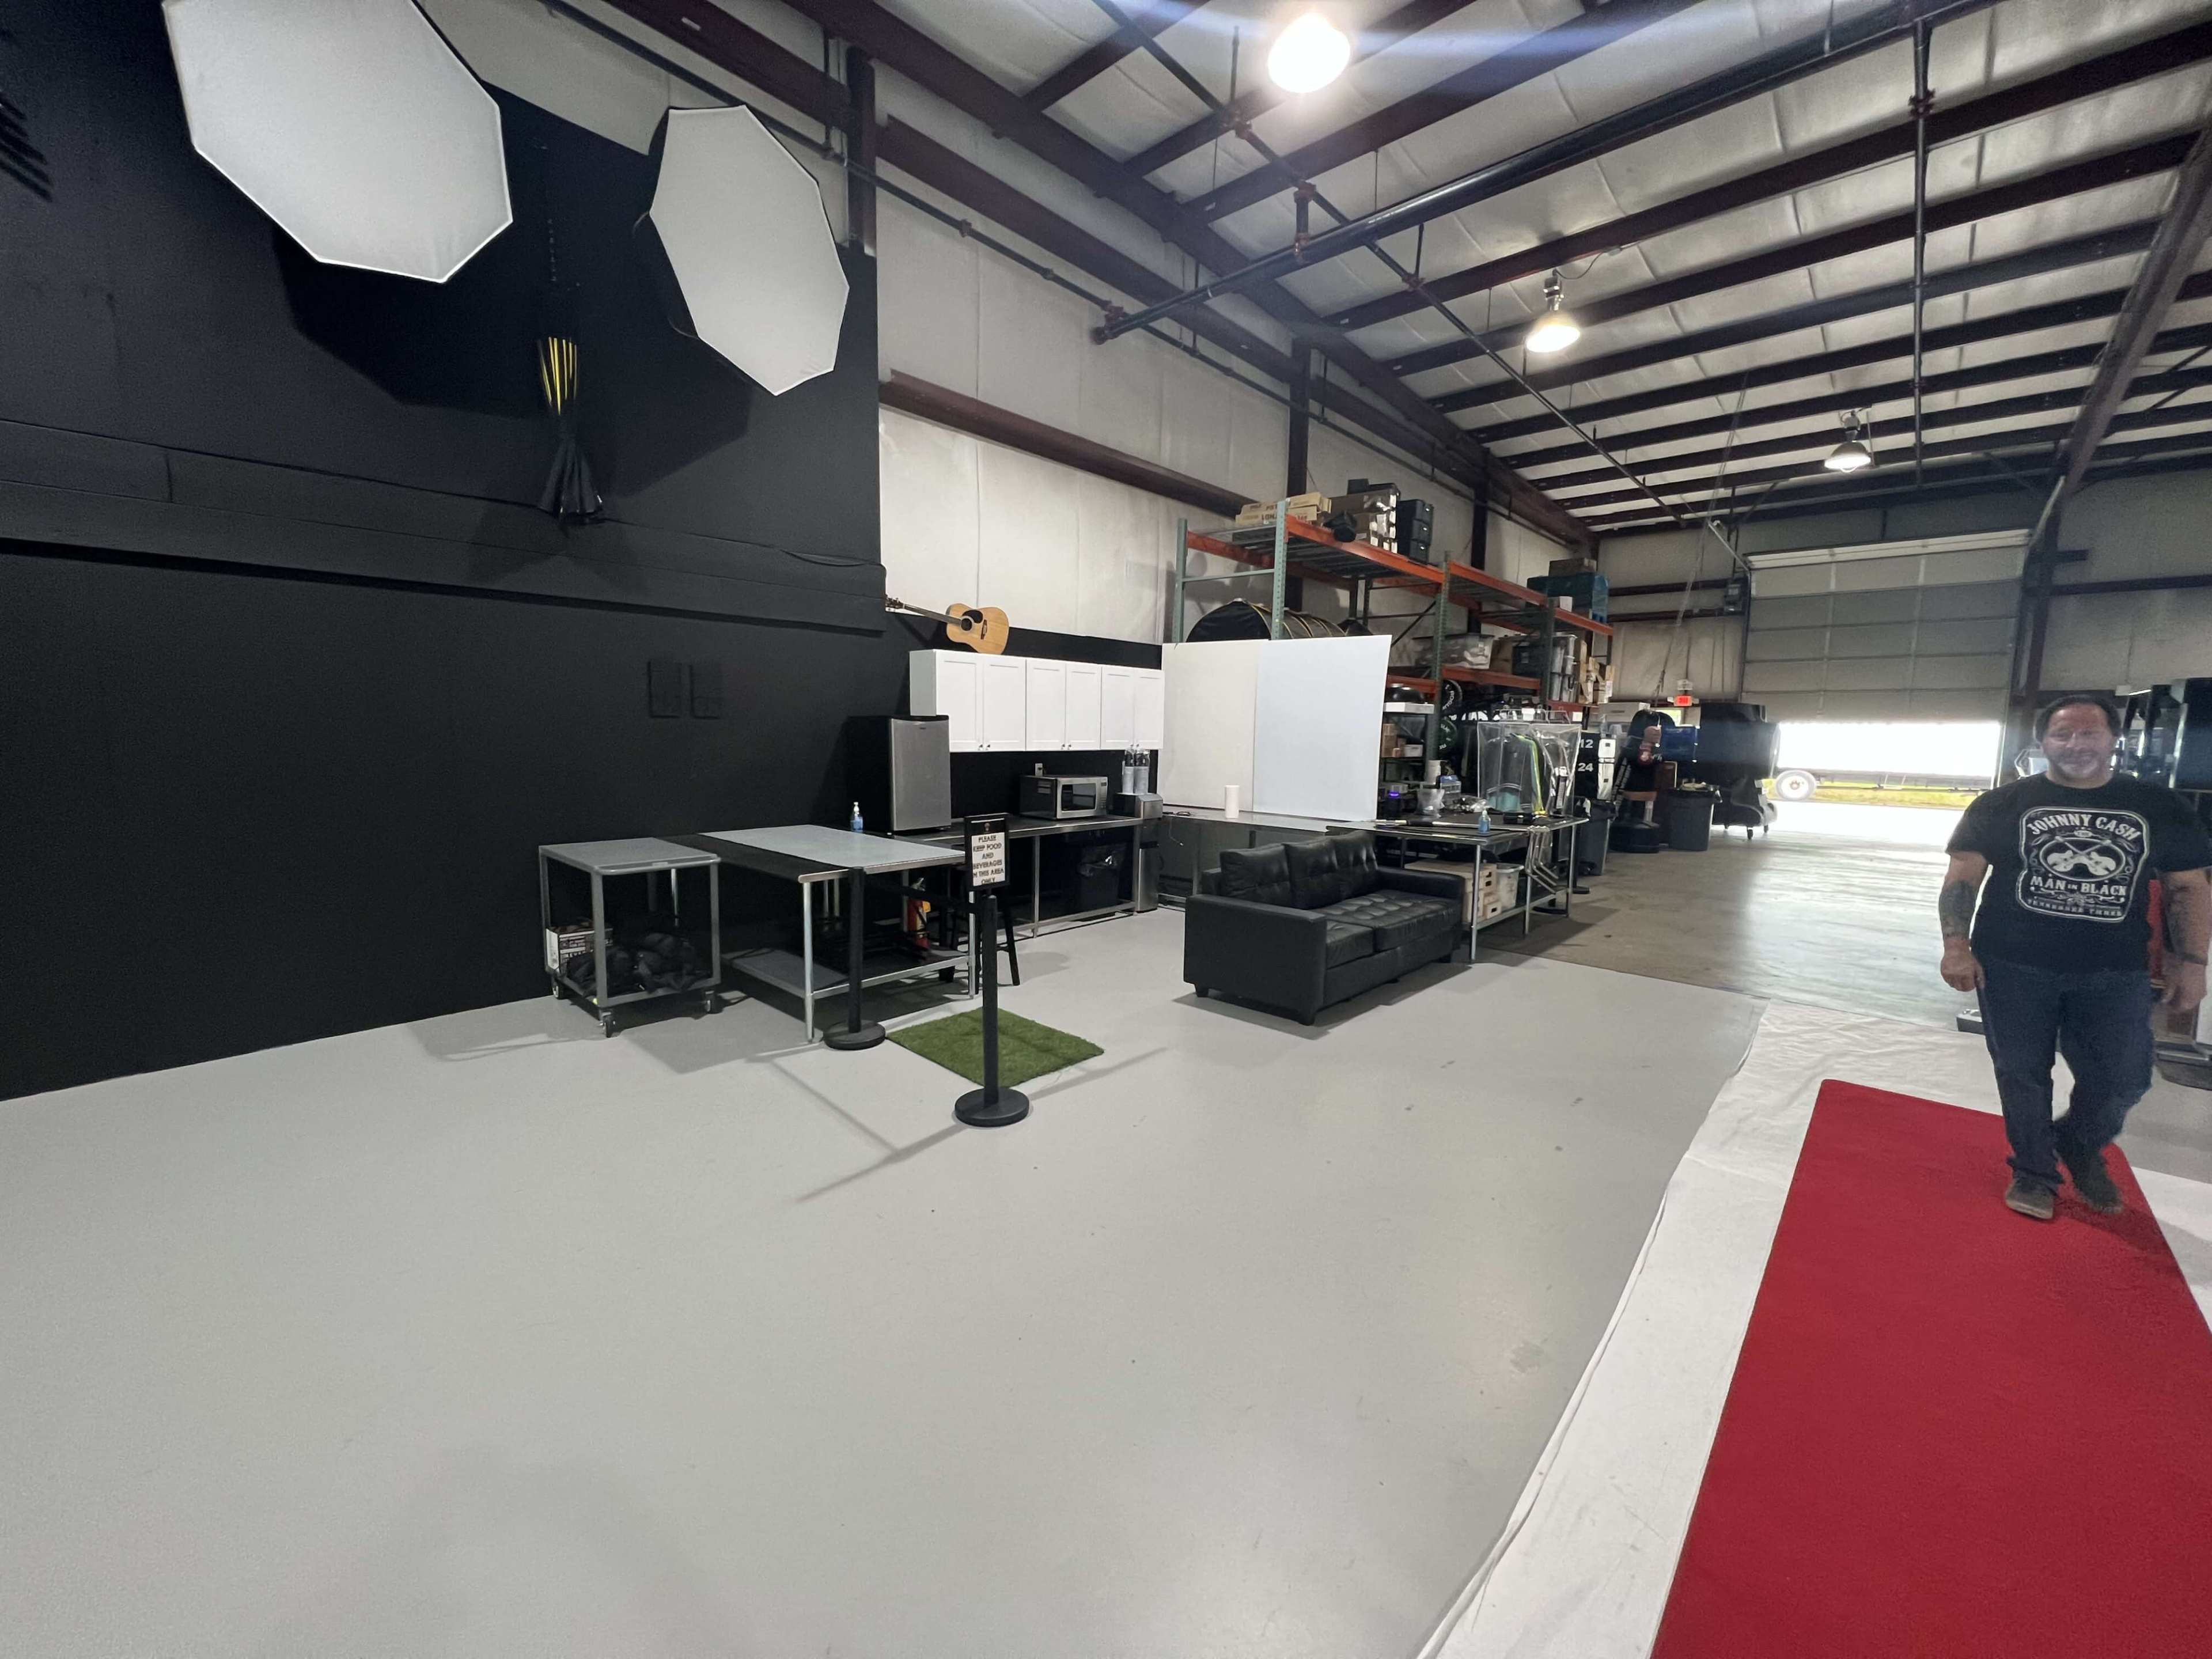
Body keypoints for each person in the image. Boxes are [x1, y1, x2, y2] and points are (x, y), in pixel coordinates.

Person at [1940, 692, 2210, 1221]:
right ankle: (2034, 1172)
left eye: (2089, 734)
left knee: (2125, 1077)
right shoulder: (2002, 805)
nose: (2076, 744)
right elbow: (1962, 877)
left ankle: (2078, 1141)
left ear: (2114, 741)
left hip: (2115, 969)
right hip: (2013, 963)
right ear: (2043, 742)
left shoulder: (2157, 807)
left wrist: (2193, 963)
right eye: (2063, 734)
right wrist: (1956, 947)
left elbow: (2189, 889)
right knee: (2022, 1072)